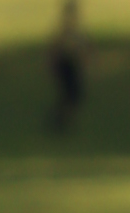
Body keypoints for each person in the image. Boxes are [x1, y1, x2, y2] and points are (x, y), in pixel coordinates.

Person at [49, 0, 87, 131]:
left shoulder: (72, 31)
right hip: (66, 65)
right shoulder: (66, 31)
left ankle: (66, 121)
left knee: (73, 95)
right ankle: (63, 122)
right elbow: (57, 48)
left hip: (71, 65)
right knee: (69, 95)